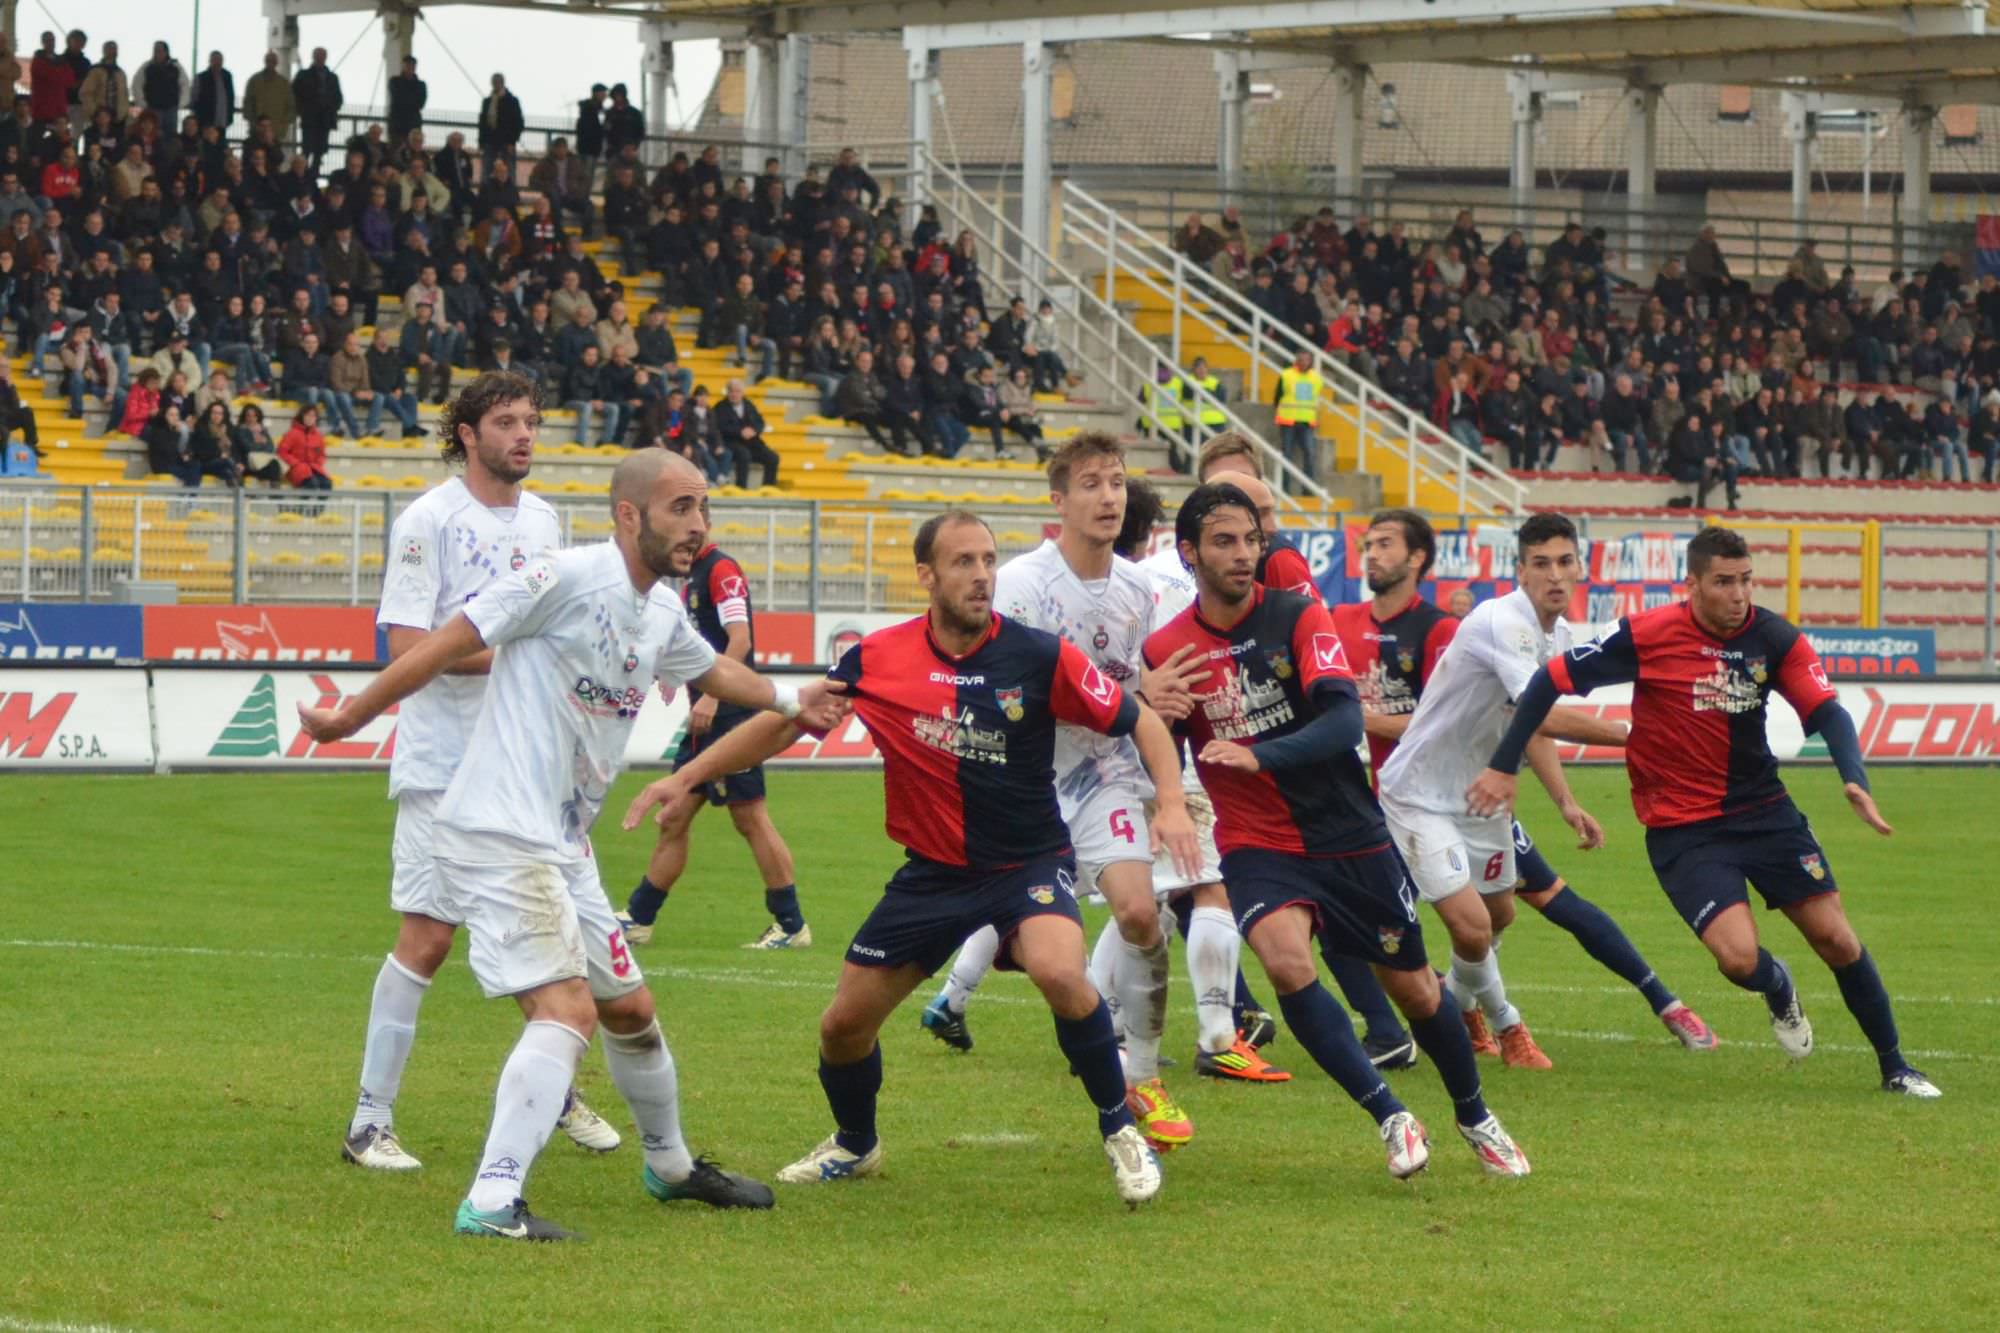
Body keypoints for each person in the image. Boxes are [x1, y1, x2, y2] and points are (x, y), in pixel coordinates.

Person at [301, 449, 840, 1238]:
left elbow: (719, 674)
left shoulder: (658, 612)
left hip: (563, 842)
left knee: (632, 1009)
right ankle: (490, 1200)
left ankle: (671, 1165)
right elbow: (448, 640)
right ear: (629, 515)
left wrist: (798, 696)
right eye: (680, 507)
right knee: (565, 1008)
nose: (698, 525)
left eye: (703, 509)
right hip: (497, 831)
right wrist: (351, 716)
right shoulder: (560, 576)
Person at [647, 509, 1198, 1208]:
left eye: (989, 561)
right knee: (842, 1026)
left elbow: (1141, 718)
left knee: (1061, 968)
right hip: (933, 874)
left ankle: (1121, 1128)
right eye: (963, 562)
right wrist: (688, 776)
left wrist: (1172, 801)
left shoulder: (1040, 655)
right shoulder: (880, 656)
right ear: (926, 576)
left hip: (1026, 861)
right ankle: (855, 1141)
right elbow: (786, 722)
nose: (981, 576)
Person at [1472, 525, 1941, 1101]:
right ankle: (1777, 985)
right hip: (1682, 826)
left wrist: (1854, 778)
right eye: (1723, 582)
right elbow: (1548, 680)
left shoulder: (1775, 638)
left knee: (1837, 940)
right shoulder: (1646, 635)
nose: (1738, 594)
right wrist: (1501, 763)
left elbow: (1828, 712)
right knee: (1739, 960)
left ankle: (1896, 1066)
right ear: (1691, 584)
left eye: (1745, 580)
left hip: (1765, 812)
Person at [1145, 482, 1529, 1179]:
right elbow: (1152, 732)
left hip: (1350, 834)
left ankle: (1474, 1112)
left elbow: (1344, 721)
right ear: (1188, 553)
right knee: (1288, 963)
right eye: (1223, 541)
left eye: (1250, 539)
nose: (1241, 553)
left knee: (1415, 990)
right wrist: (1153, 715)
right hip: (1257, 840)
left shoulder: (1298, 616)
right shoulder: (1167, 646)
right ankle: (1391, 1114)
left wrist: (1259, 753)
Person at [335, 372, 624, 1171]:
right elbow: (405, 648)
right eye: (505, 422)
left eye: (532, 420)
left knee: (553, 937)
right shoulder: (429, 521)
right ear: (466, 434)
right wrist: (521, 650)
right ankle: (370, 1120)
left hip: (528, 772)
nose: (524, 434)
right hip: (442, 767)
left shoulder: (544, 518)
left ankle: (557, 1092)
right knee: (426, 939)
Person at [917, 436, 1212, 1152]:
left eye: (1116, 482)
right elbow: (1013, 691)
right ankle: (961, 1000)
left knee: (1142, 912)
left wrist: (1163, 749)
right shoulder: (1022, 586)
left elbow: (1140, 698)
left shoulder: (1142, 590)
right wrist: (1134, 693)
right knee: (1048, 961)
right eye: (1090, 483)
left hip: (1106, 773)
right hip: (1024, 784)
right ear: (1059, 501)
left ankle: (1142, 1073)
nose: (1109, 496)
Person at [1334, 510, 1715, 1058]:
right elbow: (1541, 714)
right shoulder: (1503, 622)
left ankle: (1460, 1002)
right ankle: (1508, 1026)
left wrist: (1565, 801)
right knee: (1469, 928)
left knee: (1499, 916)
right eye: (1541, 564)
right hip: (1418, 793)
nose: (1554, 575)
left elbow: (1525, 719)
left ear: (1580, 567)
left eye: (1564, 562)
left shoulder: (1554, 633)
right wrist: (1635, 734)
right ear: (1521, 571)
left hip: (1482, 792)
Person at [616, 534, 810, 951]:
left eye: (692, 514)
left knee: (750, 817)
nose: (686, 527)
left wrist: (712, 694)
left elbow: (739, 639)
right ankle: (639, 917)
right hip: (707, 721)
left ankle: (791, 924)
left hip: (732, 715)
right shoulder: (692, 573)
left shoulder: (721, 570)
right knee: (674, 815)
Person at [712, 379, 780, 489]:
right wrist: (739, 432)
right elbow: (719, 427)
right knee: (744, 454)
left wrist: (753, 430)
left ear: (742, 392)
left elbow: (760, 422)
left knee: (773, 457)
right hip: (731, 442)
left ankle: (768, 488)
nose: (734, 394)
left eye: (737, 391)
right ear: (727, 392)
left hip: (751, 442)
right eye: (732, 391)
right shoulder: (720, 407)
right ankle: (741, 488)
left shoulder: (748, 404)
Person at [292, 47, 343, 171]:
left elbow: (338, 98)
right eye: (318, 56)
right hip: (310, 118)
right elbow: (294, 94)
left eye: (322, 56)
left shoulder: (332, 78)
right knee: (307, 149)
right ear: (314, 57)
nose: (320, 58)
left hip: (324, 120)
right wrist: (302, 109)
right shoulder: (304, 75)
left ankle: (313, 175)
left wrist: (331, 108)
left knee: (319, 151)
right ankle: (303, 173)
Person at [231, 402, 282, 484]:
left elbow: (270, 448)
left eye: (254, 416)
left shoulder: (262, 430)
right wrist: (261, 441)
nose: (251, 418)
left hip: (260, 464)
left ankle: (276, 494)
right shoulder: (239, 430)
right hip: (246, 465)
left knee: (275, 464)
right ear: (244, 416)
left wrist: (260, 438)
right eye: (248, 415)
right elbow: (249, 448)